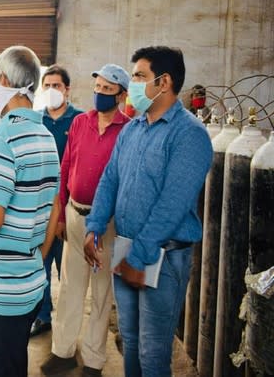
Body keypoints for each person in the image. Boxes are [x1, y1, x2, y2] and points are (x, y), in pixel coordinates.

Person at [84, 47, 213, 377]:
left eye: (139, 76)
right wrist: (95, 224)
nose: (134, 84)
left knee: (153, 352)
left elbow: (172, 204)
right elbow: (110, 178)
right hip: (127, 248)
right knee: (129, 341)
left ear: (164, 81)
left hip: (161, 256)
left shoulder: (189, 135)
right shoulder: (133, 128)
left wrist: (138, 257)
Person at [0, 45, 60, 377]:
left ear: (1, 79)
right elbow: (53, 209)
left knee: (1, 367)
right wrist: (36, 261)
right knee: (14, 362)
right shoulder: (45, 135)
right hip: (28, 282)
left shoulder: (5, 134)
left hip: (1, 288)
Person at [40, 64, 130, 377]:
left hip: (109, 223)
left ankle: (93, 360)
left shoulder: (128, 129)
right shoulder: (80, 122)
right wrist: (62, 213)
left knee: (103, 292)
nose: (100, 94)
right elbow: (66, 168)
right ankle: (62, 351)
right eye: (98, 87)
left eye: (108, 89)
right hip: (75, 215)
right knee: (69, 287)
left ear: (121, 94)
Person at [30, 65, 83, 337]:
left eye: (57, 86)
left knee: (69, 270)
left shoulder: (80, 121)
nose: (52, 91)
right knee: (40, 264)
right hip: (41, 208)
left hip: (70, 208)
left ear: (67, 89)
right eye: (47, 86)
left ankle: (67, 324)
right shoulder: (35, 120)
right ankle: (42, 316)